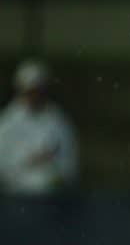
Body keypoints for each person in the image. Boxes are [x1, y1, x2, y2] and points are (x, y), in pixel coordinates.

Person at [0, 58, 78, 195]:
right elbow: (4, 166)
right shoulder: (7, 122)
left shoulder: (57, 120)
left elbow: (69, 163)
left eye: (38, 89)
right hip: (16, 196)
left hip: (51, 198)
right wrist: (30, 161)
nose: (34, 95)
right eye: (30, 90)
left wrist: (57, 171)